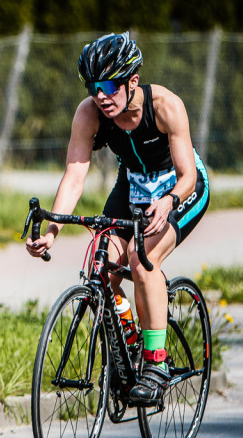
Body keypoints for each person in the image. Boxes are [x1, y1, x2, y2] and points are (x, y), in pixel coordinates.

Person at [26, 32, 211, 404]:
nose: (102, 95)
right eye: (94, 86)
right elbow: (75, 174)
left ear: (133, 81)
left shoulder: (165, 106)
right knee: (102, 266)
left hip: (179, 187)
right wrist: (53, 230)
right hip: (131, 187)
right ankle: (128, 336)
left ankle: (156, 360)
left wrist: (170, 200)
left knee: (143, 263)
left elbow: (188, 175)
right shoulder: (89, 112)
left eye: (111, 85)